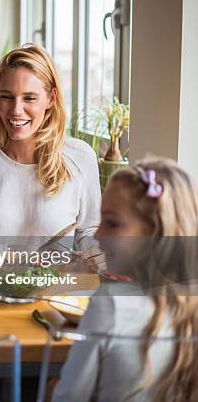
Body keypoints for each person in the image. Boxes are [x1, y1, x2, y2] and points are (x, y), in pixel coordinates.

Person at [53, 157, 198, 401]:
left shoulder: (110, 305)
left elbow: (69, 397)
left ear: (155, 232)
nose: (98, 235)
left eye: (112, 223)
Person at [0, 44, 101, 255]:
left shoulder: (81, 157)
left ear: (51, 99)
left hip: (56, 287)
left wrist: (96, 254)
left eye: (29, 98)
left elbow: (88, 234)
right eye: (6, 97)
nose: (16, 110)